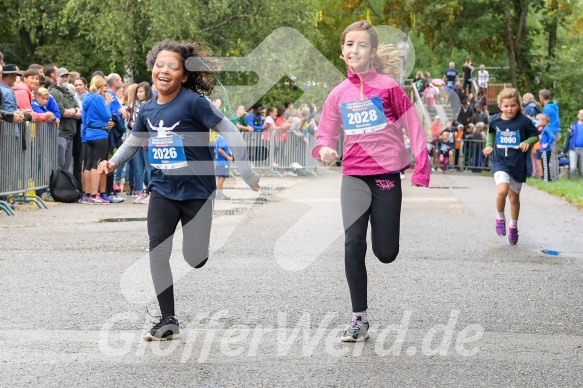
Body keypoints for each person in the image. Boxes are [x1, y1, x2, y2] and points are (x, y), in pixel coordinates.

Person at [97, 40, 260, 341]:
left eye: (173, 67)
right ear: (152, 68)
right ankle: (167, 318)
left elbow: (230, 130)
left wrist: (246, 170)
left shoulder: (194, 103)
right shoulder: (146, 108)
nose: (164, 70)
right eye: (160, 65)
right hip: (162, 189)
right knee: (157, 250)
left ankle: (198, 251)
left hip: (197, 191)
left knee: (194, 258)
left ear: (184, 75)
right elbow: (134, 142)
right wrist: (112, 162)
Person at [311, 21, 429, 342]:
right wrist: (323, 149)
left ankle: (384, 251)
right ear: (342, 52)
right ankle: (358, 318)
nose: (354, 50)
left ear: (372, 52)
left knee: (386, 252)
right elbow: (326, 133)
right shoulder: (338, 94)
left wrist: (422, 165)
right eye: (349, 44)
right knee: (353, 244)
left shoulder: (390, 88)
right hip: (353, 177)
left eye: (361, 45)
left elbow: (413, 126)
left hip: (386, 176)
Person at [483, 88, 539, 245]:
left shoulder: (524, 121)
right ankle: (500, 217)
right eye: (506, 106)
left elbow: (535, 136)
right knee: (502, 190)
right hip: (500, 161)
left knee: (514, 197)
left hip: (517, 163)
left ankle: (513, 227)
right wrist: (489, 146)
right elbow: (491, 133)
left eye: (513, 105)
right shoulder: (494, 120)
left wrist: (526, 143)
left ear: (519, 105)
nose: (509, 109)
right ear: (500, 106)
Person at [81, 76, 113, 204]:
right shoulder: (99, 98)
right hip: (100, 133)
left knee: (88, 164)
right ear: (101, 86)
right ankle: (95, 194)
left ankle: (87, 194)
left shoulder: (87, 98)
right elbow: (107, 116)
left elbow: (84, 116)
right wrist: (108, 104)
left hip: (89, 133)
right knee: (97, 163)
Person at [538, 89, 560, 181]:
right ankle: (556, 176)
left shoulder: (547, 108)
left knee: (550, 157)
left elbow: (544, 121)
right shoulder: (554, 106)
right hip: (557, 132)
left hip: (551, 133)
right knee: (554, 157)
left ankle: (552, 177)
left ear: (541, 98)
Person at [562, 109, 583, 179]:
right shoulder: (573, 126)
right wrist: (564, 150)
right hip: (573, 149)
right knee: (573, 167)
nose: (582, 115)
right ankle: (573, 181)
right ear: (578, 115)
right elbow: (567, 138)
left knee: (582, 169)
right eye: (580, 114)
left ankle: (581, 182)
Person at [214, 133, 232, 199]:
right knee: (222, 177)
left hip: (219, 161)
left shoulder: (218, 138)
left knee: (221, 177)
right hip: (222, 162)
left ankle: (219, 193)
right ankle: (219, 194)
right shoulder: (222, 138)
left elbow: (215, 150)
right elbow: (220, 150)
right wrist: (228, 157)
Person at [538, 114, 555, 182]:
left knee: (545, 165)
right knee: (544, 164)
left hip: (545, 150)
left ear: (544, 121)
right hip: (543, 150)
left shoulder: (546, 128)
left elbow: (552, 136)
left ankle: (546, 179)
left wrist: (547, 144)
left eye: (541, 120)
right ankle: (548, 178)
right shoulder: (544, 129)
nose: (540, 122)